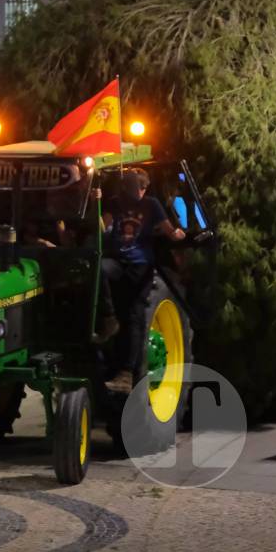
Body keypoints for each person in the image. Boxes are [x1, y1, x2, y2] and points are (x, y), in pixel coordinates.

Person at [101, 168, 185, 394]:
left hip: (141, 266)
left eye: (137, 187)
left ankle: (127, 374)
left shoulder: (151, 205)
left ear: (144, 188)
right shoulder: (115, 203)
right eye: (130, 187)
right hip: (118, 261)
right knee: (100, 270)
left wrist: (177, 234)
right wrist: (95, 209)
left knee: (134, 316)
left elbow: (169, 230)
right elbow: (104, 227)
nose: (134, 192)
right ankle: (109, 317)